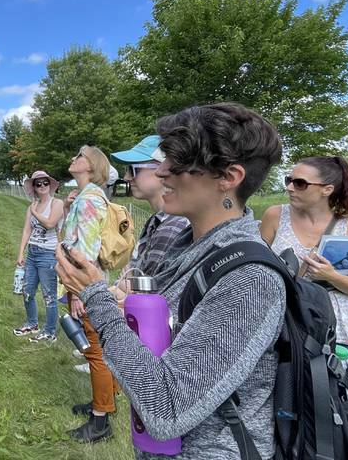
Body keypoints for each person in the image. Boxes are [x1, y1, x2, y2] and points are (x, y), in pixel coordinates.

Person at [56, 103, 285, 459]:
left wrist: (97, 298)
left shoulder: (249, 280)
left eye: (175, 162)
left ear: (229, 177)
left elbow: (166, 407)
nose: (161, 172)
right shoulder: (188, 249)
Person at [260, 156, 348, 365]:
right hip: (283, 325)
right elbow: (256, 267)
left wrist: (331, 276)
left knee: (335, 395)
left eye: (300, 183)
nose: (290, 188)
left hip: (337, 332)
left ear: (327, 189)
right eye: (289, 180)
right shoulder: (275, 216)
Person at [60, 145, 119, 443]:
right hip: (84, 284)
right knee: (97, 348)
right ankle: (105, 400)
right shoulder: (85, 198)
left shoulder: (90, 200)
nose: (73, 159)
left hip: (85, 285)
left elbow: (87, 250)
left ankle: (101, 419)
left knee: (96, 352)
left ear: (91, 166)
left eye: (80, 156)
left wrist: (80, 293)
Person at [112, 135, 189, 286]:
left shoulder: (174, 224)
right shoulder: (157, 220)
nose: (126, 177)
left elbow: (144, 292)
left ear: (163, 169)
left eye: (133, 170)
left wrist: (125, 285)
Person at [13, 170, 64, 342]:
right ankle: (32, 324)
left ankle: (50, 332)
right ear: (33, 187)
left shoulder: (57, 203)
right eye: (38, 184)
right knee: (27, 291)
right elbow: (27, 229)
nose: (42, 186)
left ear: (50, 185)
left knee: (49, 295)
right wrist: (21, 252)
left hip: (48, 254)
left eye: (45, 183)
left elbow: (50, 223)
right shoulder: (31, 206)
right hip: (32, 253)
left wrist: (35, 213)